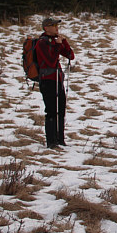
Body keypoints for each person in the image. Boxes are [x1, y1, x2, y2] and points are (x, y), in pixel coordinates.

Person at [34, 17, 75, 148]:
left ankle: (60, 139)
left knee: (61, 109)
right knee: (51, 110)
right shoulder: (41, 43)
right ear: (46, 28)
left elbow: (70, 55)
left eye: (57, 26)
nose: (57, 28)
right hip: (47, 80)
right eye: (54, 26)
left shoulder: (53, 41)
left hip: (57, 79)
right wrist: (58, 44)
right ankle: (51, 141)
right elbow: (51, 61)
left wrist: (64, 42)